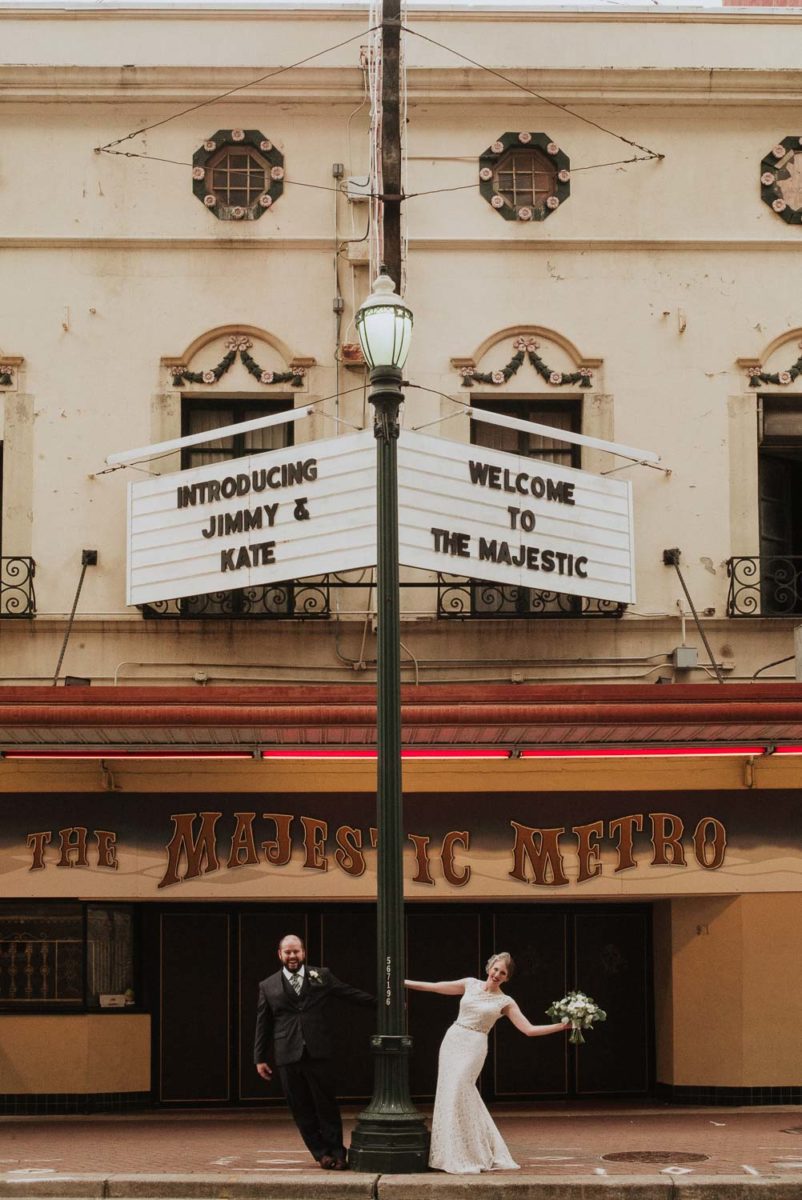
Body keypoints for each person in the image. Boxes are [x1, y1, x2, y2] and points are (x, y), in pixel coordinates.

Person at [404, 952, 568, 1174]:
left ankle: (476, 1151)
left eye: (503, 973)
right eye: (496, 969)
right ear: (489, 967)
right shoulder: (470, 984)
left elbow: (529, 1030)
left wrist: (561, 1026)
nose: (497, 974)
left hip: (474, 1045)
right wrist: (403, 982)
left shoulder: (505, 1001)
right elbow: (436, 986)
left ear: (507, 978)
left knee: (462, 1088)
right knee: (449, 1093)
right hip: (453, 1039)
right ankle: (451, 1152)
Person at [254, 933, 374, 1171]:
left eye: (296, 951)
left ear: (303, 953)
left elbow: (348, 993)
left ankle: (338, 1154)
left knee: (326, 1104)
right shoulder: (267, 986)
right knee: (301, 1108)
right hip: (287, 1054)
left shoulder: (321, 976)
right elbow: (263, 1023)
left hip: (318, 1051)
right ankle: (321, 1154)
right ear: (280, 954)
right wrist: (259, 1058)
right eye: (287, 952)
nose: (292, 956)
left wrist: (384, 1003)